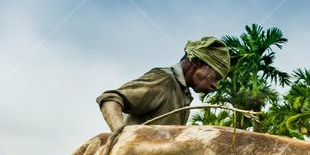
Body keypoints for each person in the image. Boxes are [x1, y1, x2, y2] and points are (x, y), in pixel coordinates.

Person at [96, 37, 231, 132]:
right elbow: (110, 100)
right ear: (198, 62)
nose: (215, 85)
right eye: (216, 77)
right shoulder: (165, 80)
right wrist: (121, 137)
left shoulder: (182, 95)